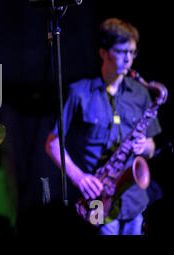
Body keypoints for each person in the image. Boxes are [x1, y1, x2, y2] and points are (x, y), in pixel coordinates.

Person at [45, 18, 162, 235]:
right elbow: (52, 144)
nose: (128, 59)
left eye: (132, 52)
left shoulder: (141, 93)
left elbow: (152, 147)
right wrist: (79, 177)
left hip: (134, 198)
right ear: (103, 52)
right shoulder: (79, 92)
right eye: (121, 51)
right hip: (97, 195)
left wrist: (143, 146)